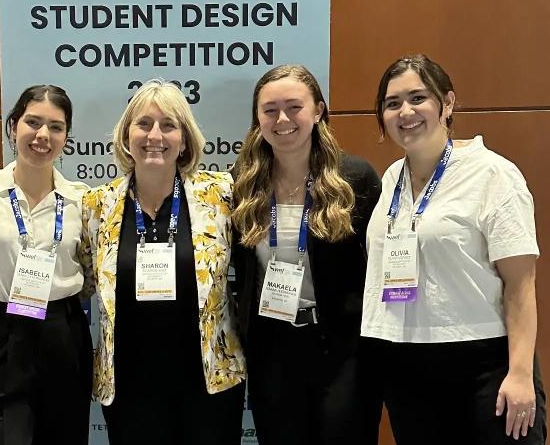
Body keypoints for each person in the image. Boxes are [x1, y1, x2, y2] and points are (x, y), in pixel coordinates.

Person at [362, 54, 546, 444]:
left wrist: (519, 373)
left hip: (484, 365)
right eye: (392, 103)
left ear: (447, 103)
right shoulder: (393, 177)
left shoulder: (492, 173)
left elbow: (520, 284)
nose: (405, 112)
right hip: (408, 365)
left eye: (417, 98)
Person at [79, 79, 246, 445]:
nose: (155, 134)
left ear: (184, 140)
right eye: (144, 124)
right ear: (126, 136)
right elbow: (85, 281)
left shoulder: (220, 195)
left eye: (169, 125)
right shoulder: (97, 206)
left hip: (209, 384)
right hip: (130, 388)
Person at [230, 64, 382, 444]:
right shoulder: (243, 183)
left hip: (342, 350)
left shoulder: (355, 179)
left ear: (318, 111)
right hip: (273, 348)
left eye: (294, 107)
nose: (282, 119)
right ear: (257, 119)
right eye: (269, 110)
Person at [0, 85, 93, 445]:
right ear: (12, 127)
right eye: (32, 122)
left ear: (67, 136)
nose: (42, 135)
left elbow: (89, 268)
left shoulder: (81, 200)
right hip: (1, 332)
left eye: (55, 126)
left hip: (62, 331)